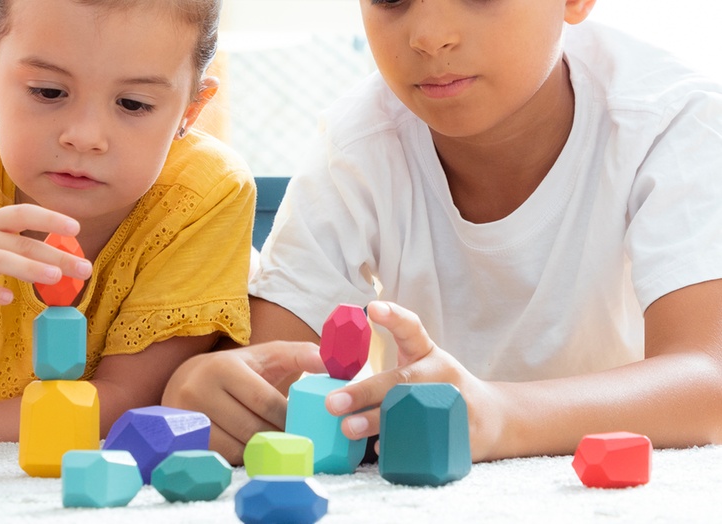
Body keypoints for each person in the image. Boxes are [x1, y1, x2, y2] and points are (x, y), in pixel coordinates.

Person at [163, 0, 722, 465]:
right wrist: (212, 387)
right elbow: (271, 363)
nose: (429, 36)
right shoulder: (361, 143)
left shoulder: (671, 120)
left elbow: (709, 379)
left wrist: (499, 414)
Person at [0, 0, 255, 452]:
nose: (84, 136)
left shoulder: (203, 194)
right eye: (48, 92)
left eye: (133, 103)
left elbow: (130, 401)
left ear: (191, 109)